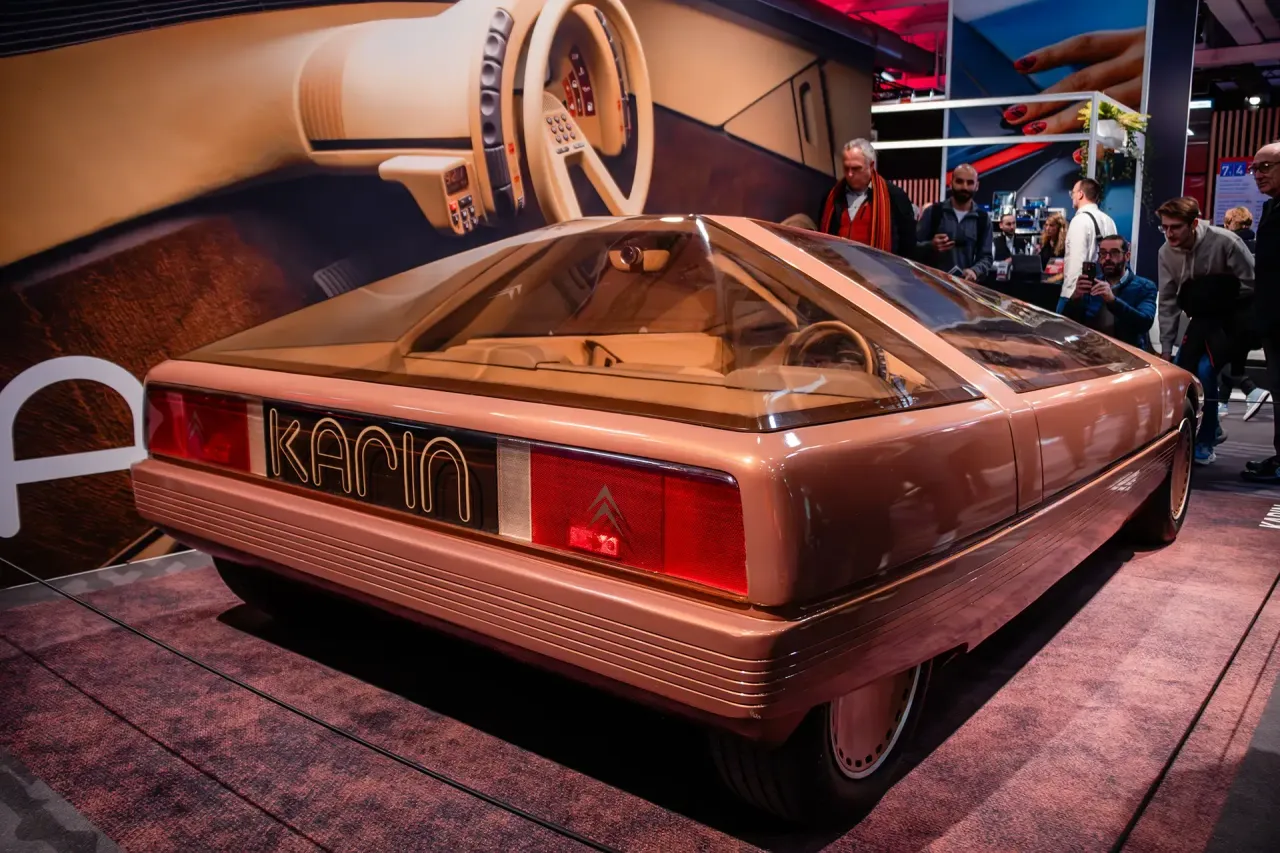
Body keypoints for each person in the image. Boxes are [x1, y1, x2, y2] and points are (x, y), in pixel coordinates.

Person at [1155, 196, 1256, 465]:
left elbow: (1252, 284)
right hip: (1200, 321)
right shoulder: (1166, 253)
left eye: (1175, 227)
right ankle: (1208, 428)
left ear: (1194, 223)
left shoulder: (1226, 242)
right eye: (1165, 227)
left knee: (1206, 370)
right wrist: (1166, 348)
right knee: (1183, 371)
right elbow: (1167, 301)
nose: (1169, 233)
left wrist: (1219, 296)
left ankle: (1206, 439)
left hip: (1233, 318)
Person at [1242, 141, 1280, 485]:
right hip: (1271, 316)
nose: (1257, 174)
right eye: (1254, 168)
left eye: (1265, 166)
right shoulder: (1270, 207)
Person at [819, 138, 919, 259]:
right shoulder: (832, 197)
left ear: (871, 166)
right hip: (837, 266)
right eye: (846, 168)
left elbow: (908, 245)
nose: (850, 174)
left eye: (856, 168)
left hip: (878, 268)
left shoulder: (894, 197)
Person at [1058, 234, 1156, 350]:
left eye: (1114, 253)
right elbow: (1067, 325)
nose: (1107, 258)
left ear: (1127, 256)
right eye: (1103, 253)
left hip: (1128, 353)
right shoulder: (1091, 285)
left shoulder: (1145, 287)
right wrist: (1075, 298)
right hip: (1092, 352)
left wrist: (1112, 301)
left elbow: (1144, 323)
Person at [915, 164, 993, 281]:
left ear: (977, 186)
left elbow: (986, 257)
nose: (964, 187)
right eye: (959, 181)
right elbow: (912, 247)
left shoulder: (983, 219)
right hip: (932, 285)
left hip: (965, 288)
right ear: (951, 183)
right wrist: (930, 245)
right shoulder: (933, 212)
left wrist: (975, 271)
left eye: (970, 183)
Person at [1061, 178, 1116, 302]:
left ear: (1080, 194)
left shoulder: (1079, 220)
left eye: (1073, 193)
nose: (1072, 197)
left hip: (1080, 294)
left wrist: (1071, 295)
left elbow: (1076, 262)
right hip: (1102, 293)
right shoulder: (1109, 221)